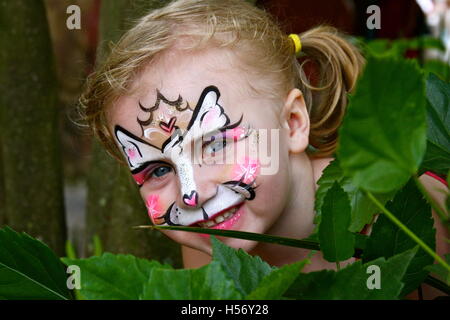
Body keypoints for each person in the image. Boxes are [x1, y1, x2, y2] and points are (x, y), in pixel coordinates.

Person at [80, 0, 448, 283]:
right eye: (159, 169)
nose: (192, 195)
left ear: (292, 124)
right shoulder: (208, 247)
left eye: (214, 145)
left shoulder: (404, 212)